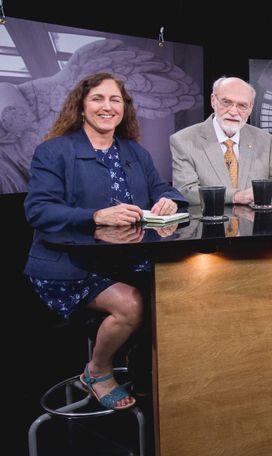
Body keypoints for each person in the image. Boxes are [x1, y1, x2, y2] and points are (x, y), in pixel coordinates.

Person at [24, 72, 188, 410]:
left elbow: (163, 188)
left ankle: (149, 377)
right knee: (132, 305)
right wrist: (95, 216)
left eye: (115, 100)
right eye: (98, 99)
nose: (107, 107)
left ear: (124, 109)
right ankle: (97, 371)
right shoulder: (53, 151)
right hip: (68, 265)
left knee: (179, 294)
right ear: (81, 107)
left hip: (126, 261)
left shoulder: (134, 152)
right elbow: (38, 211)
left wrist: (170, 200)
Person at [171, 77, 272, 206]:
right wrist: (236, 196)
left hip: (254, 224)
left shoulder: (265, 140)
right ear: (213, 101)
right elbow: (185, 192)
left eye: (242, 105)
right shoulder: (184, 140)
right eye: (226, 102)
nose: (233, 112)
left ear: (250, 108)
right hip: (209, 224)